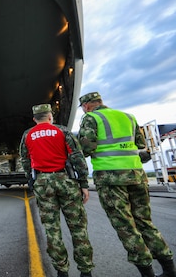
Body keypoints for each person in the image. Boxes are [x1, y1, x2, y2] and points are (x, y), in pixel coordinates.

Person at [78, 92, 176, 277]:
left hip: (111, 179)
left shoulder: (90, 118)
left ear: (86, 106)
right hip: (137, 175)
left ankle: (147, 272)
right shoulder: (128, 117)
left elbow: (86, 148)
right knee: (145, 222)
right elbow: (142, 147)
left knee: (126, 226)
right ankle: (169, 268)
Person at [19, 104, 94, 277]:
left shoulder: (27, 135)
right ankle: (86, 271)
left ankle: (62, 271)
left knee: (52, 229)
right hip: (65, 180)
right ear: (50, 116)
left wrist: (31, 180)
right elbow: (77, 156)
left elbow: (25, 160)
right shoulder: (62, 131)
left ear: (34, 119)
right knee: (78, 228)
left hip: (43, 182)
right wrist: (83, 183)